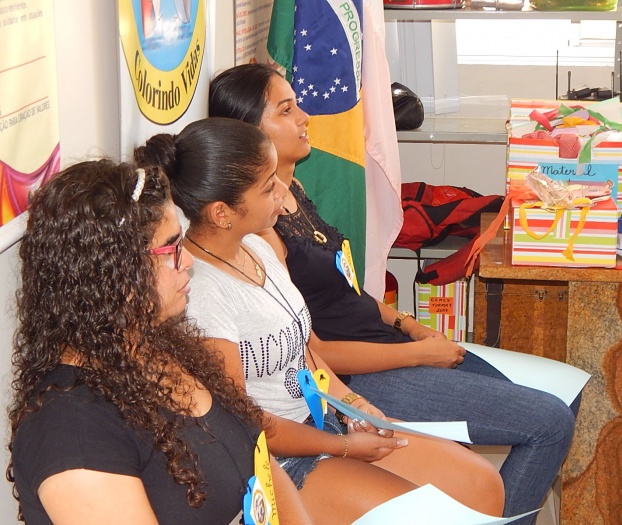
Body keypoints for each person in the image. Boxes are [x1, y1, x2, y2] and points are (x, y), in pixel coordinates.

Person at [208, 63, 578, 524]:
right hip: (363, 373)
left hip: (381, 351)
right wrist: (416, 356)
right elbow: (309, 355)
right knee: (548, 423)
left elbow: (347, 290)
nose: (305, 117)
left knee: (559, 404)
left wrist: (410, 325)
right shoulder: (259, 234)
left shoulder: (293, 192)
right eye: (286, 110)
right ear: (247, 136)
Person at [134, 117, 505, 525]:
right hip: (280, 457)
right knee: (436, 518)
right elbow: (243, 422)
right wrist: (341, 446)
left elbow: (305, 351)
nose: (282, 190)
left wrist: (355, 406)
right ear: (222, 213)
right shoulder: (203, 293)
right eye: (267, 186)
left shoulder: (258, 247)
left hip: (325, 421)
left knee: (482, 485)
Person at [7, 160, 313, 525]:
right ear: (115, 271)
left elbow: (260, 461)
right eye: (171, 249)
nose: (188, 260)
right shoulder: (72, 432)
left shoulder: (158, 342)